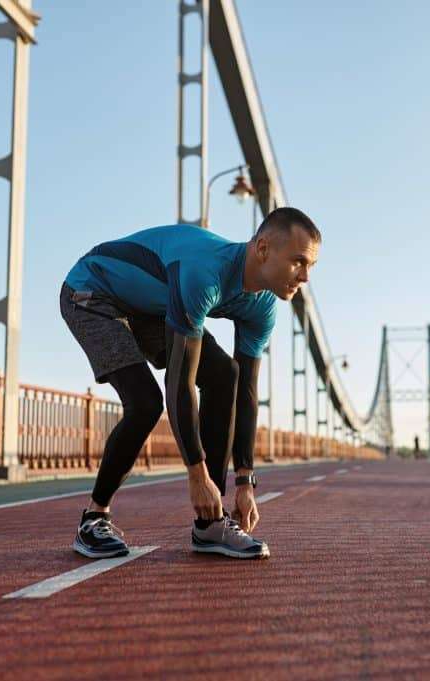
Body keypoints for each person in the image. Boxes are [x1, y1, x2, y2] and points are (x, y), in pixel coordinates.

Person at [59, 207, 321, 560]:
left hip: (151, 305)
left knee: (225, 375)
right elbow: (179, 382)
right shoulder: (204, 273)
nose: (304, 276)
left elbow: (245, 391)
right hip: (92, 292)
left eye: (311, 267)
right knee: (146, 403)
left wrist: (245, 480)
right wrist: (197, 476)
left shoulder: (262, 307)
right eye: (298, 262)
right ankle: (93, 518)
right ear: (262, 249)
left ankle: (210, 524)